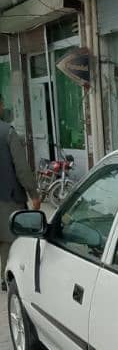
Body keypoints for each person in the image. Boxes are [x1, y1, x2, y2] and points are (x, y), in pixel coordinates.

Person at [0, 96, 41, 291]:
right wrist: (33, 193)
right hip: (7, 199)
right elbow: (22, 168)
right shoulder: (7, 132)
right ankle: (8, 280)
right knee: (10, 241)